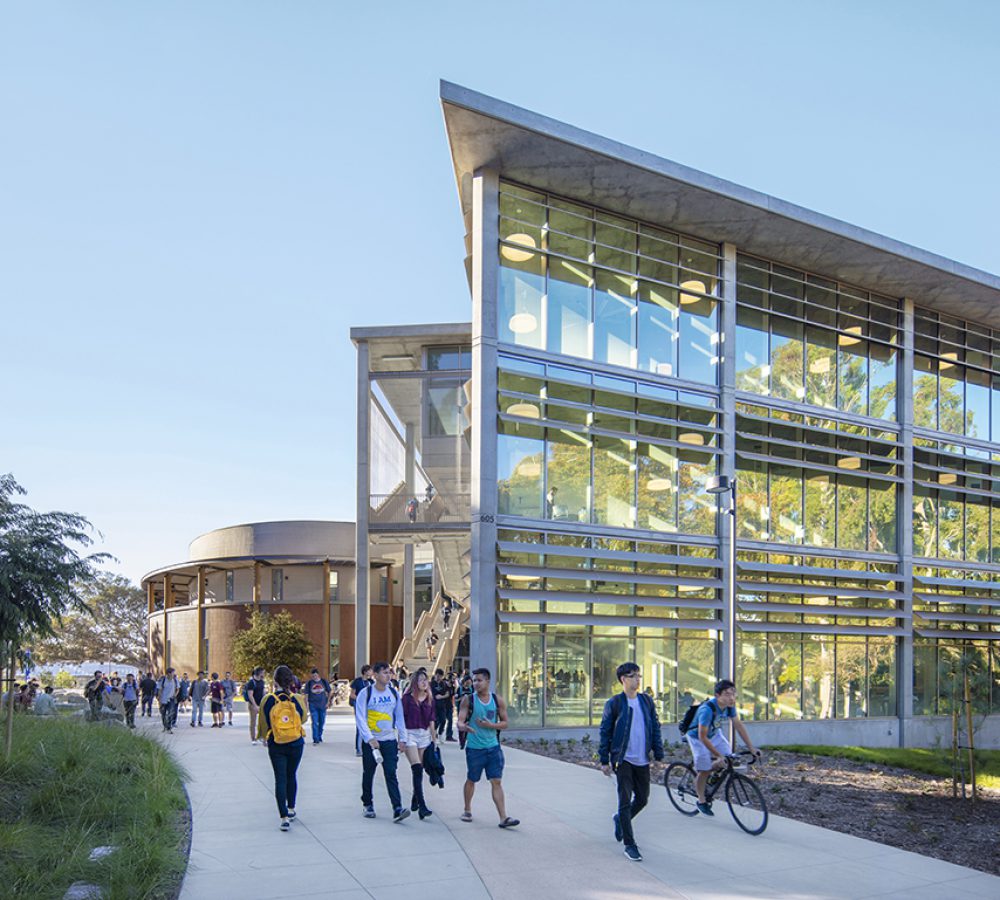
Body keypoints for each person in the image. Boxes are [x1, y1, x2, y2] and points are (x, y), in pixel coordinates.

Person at [598, 662, 664, 862]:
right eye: (633, 675)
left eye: (638, 675)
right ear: (623, 679)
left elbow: (655, 727)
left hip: (642, 759)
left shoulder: (646, 701)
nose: (637, 679)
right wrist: (604, 760)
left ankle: (619, 820)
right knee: (625, 802)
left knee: (643, 799)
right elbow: (605, 732)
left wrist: (658, 754)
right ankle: (630, 844)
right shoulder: (615, 703)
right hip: (623, 759)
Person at [686, 679, 760, 816]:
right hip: (697, 737)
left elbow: (738, 725)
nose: (731, 697)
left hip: (714, 734)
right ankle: (701, 800)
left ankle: (712, 774)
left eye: (733, 694)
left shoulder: (730, 706)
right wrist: (718, 755)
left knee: (729, 758)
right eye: (727, 694)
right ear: (717, 695)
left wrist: (751, 748)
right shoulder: (706, 710)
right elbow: (702, 737)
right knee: (704, 770)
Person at [457, 667, 518, 828]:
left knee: (496, 781)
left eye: (479, 680)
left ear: (487, 682)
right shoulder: (468, 700)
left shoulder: (497, 700)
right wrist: (464, 727)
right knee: (472, 780)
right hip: (475, 748)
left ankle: (503, 817)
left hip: (493, 748)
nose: (475, 683)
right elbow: (460, 720)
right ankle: (467, 809)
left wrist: (491, 725)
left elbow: (505, 723)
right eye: (474, 680)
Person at [355, 661, 409, 822]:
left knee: (391, 773)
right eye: (384, 672)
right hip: (372, 742)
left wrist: (402, 738)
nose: (388, 675)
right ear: (375, 675)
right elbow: (360, 717)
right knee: (369, 773)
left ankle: (397, 808)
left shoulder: (393, 693)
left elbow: (399, 716)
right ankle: (367, 803)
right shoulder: (366, 693)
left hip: (389, 740)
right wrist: (369, 738)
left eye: (389, 672)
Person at [258, 665, 309, 832]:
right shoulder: (297, 699)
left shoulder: (268, 699)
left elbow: (264, 722)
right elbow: (302, 719)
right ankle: (292, 807)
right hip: (296, 742)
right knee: (291, 774)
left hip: (276, 742)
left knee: (280, 778)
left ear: (274, 681)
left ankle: (284, 817)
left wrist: (264, 736)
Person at [401, 669, 436, 819]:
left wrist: (434, 739)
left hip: (424, 735)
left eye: (425, 680)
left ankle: (415, 800)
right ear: (415, 682)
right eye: (421, 680)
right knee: (416, 768)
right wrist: (401, 739)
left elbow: (432, 720)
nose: (424, 682)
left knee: (420, 769)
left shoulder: (429, 698)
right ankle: (422, 806)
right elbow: (401, 719)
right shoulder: (407, 699)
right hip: (410, 734)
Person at [349, 665, 373, 756]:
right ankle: (359, 749)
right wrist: (361, 699)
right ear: (365, 671)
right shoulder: (357, 681)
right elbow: (352, 694)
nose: (371, 672)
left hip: (369, 706)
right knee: (360, 725)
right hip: (359, 705)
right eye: (370, 671)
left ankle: (368, 745)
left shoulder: (371, 682)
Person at [304, 668, 332, 744]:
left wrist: (328, 702)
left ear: (318, 675)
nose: (314, 677)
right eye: (313, 676)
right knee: (315, 722)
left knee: (322, 721)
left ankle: (319, 736)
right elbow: (306, 695)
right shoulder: (309, 683)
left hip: (322, 705)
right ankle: (315, 738)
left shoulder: (323, 682)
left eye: (315, 675)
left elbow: (330, 691)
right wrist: (306, 706)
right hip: (313, 705)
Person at [243, 667, 267, 744]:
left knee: (263, 722)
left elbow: (263, 693)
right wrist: (255, 705)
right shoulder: (251, 682)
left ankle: (262, 737)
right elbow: (250, 695)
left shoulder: (262, 682)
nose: (264, 674)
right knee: (253, 722)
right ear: (259, 673)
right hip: (253, 705)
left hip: (261, 704)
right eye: (263, 672)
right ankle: (253, 739)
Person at [431, 668, 456, 742]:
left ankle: (440, 733)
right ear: (435, 675)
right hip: (433, 705)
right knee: (435, 721)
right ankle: (434, 736)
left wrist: (441, 696)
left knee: (443, 720)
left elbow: (447, 694)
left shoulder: (443, 684)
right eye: (437, 676)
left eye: (440, 676)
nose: (439, 678)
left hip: (442, 705)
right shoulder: (431, 684)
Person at [156, 668, 179, 733]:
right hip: (163, 699)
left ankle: (169, 728)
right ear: (168, 673)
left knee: (170, 713)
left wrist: (175, 694)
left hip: (171, 699)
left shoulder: (175, 680)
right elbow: (159, 690)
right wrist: (159, 699)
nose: (173, 674)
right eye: (172, 673)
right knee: (163, 714)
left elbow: (177, 688)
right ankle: (165, 726)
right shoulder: (162, 680)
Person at [455, 674, 474, 749]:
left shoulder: (472, 689)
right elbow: (456, 699)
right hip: (461, 709)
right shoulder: (459, 689)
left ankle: (465, 739)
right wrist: (462, 698)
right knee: (461, 725)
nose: (469, 684)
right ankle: (461, 741)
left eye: (470, 683)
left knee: (467, 725)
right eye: (467, 682)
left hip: (469, 709)